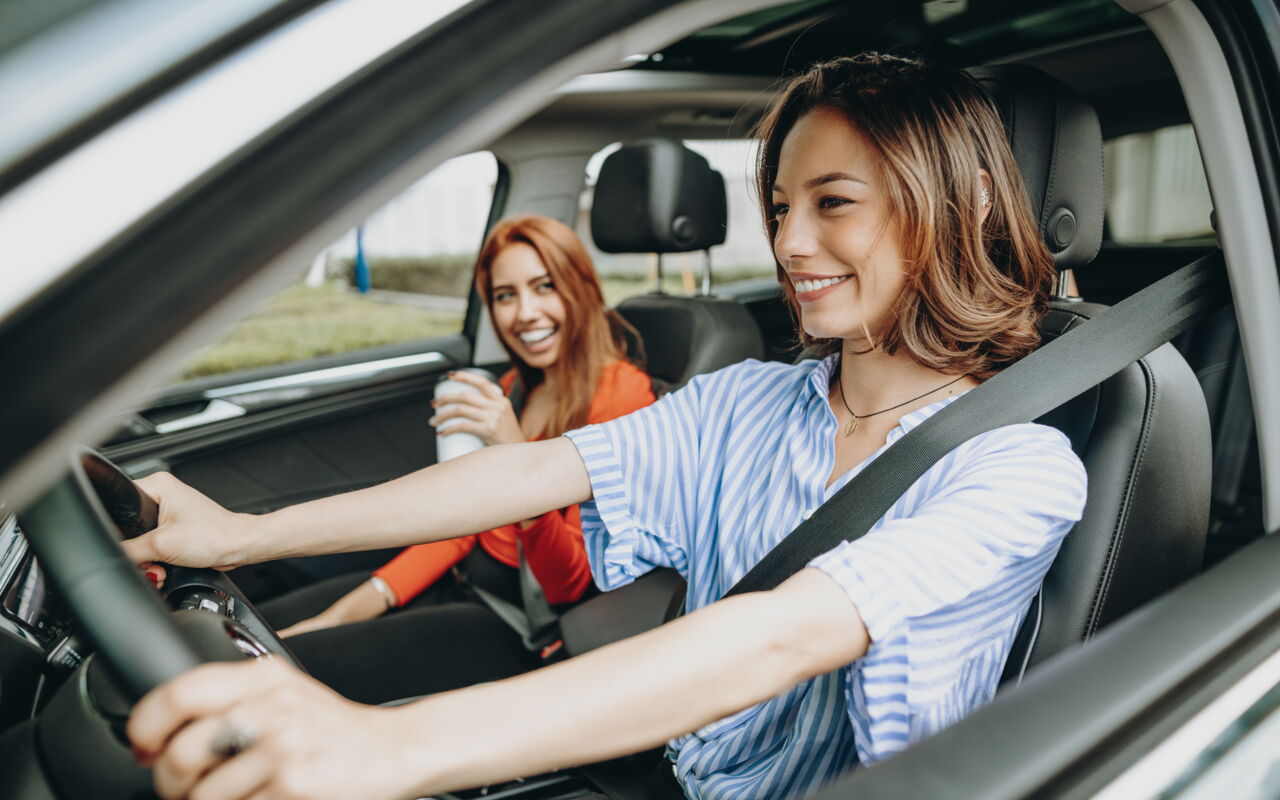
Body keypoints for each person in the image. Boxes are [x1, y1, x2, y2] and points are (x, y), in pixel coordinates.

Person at [123, 54, 1087, 800]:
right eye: (781, 206)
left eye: (833, 203)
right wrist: (242, 535)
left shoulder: (1019, 469)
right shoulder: (746, 400)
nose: (789, 243)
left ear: (955, 208)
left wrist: (391, 746)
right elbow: (527, 474)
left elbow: (788, 635)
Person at [263, 213, 656, 701]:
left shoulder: (624, 398)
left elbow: (569, 586)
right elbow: (459, 527)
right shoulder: (516, 389)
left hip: (515, 624)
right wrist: (353, 608)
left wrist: (514, 455)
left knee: (288, 669)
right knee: (264, 627)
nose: (525, 313)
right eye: (505, 296)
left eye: (545, 286)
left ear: (582, 287)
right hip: (459, 583)